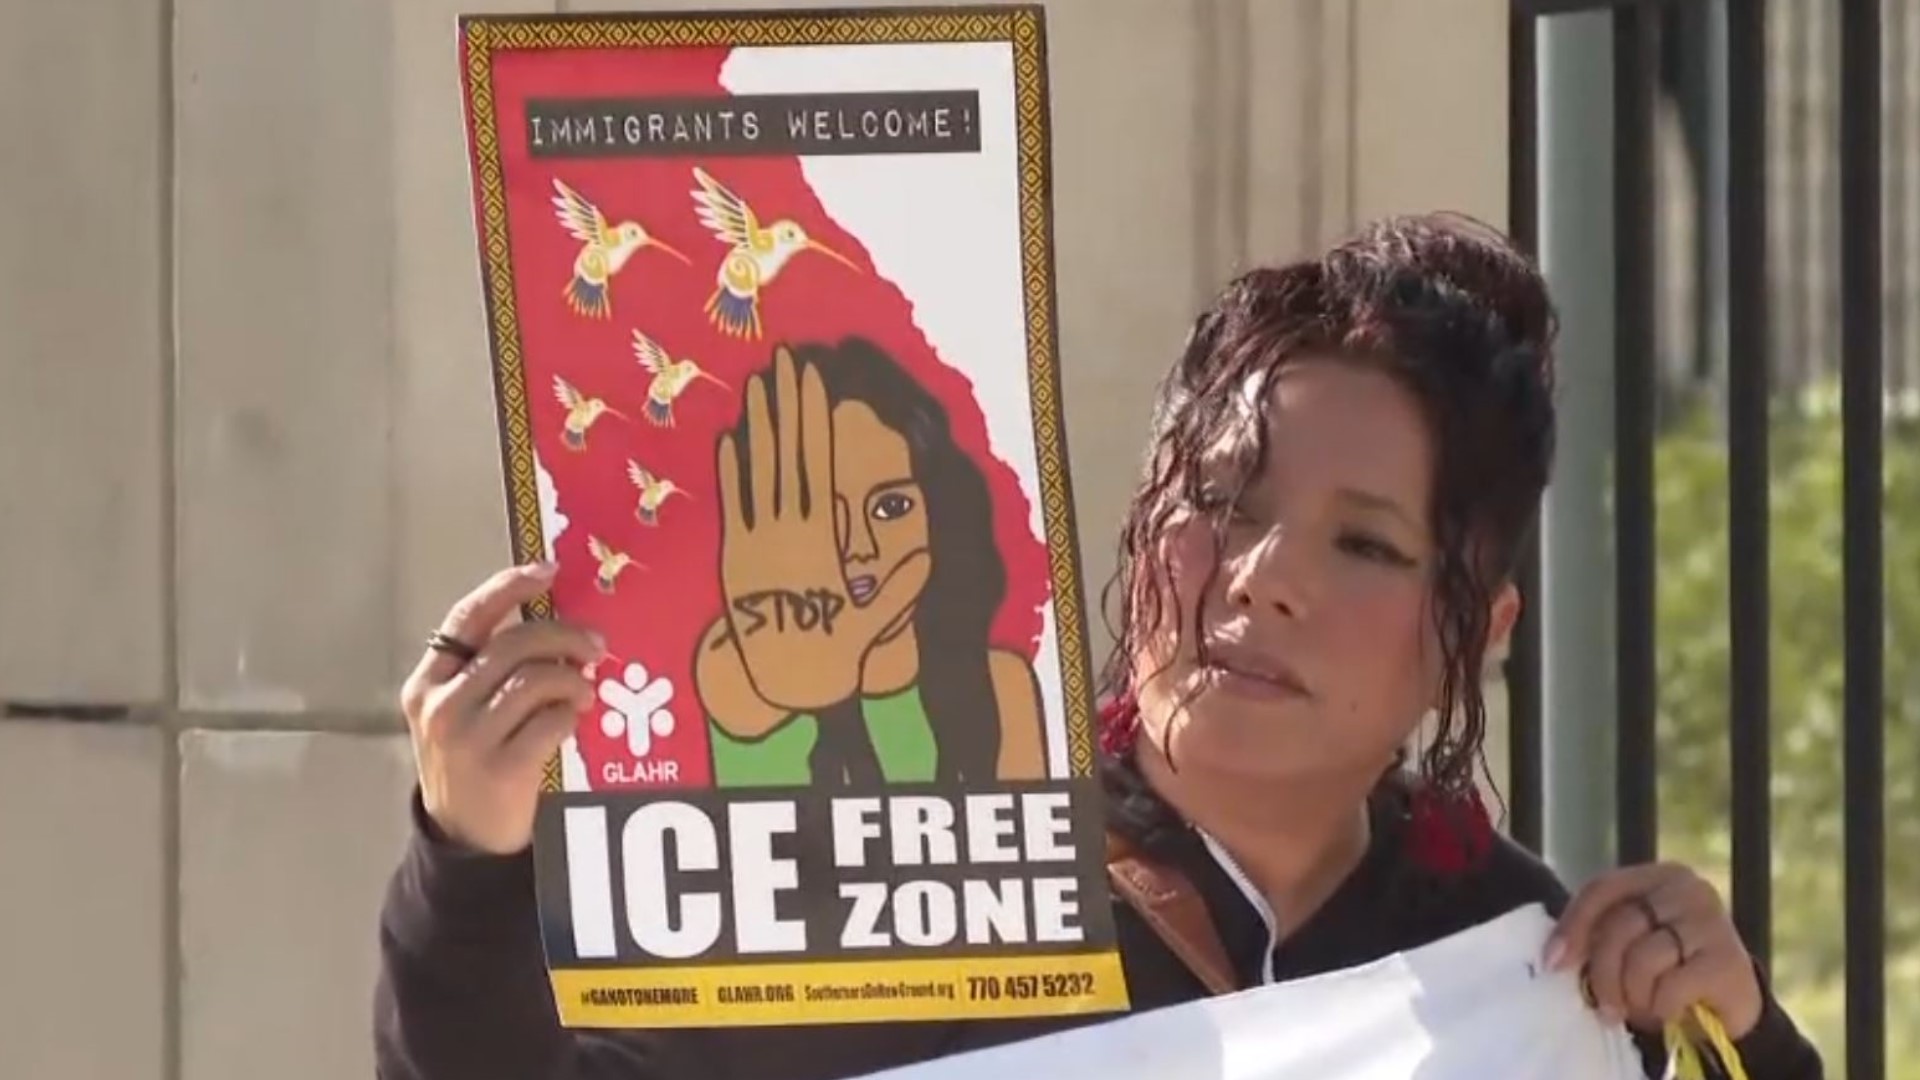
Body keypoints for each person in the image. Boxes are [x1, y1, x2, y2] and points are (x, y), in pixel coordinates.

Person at [373, 214, 1824, 1079]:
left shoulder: (1513, 963)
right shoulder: (909, 869)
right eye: (1221, 505)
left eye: (1364, 544)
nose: (1262, 582)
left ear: (1475, 638)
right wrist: (473, 851)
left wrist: (1741, 1036)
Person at [695, 337, 1048, 787]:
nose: (859, 547)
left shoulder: (1000, 687)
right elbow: (742, 696)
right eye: (826, 515)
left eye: (891, 508)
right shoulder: (740, 664)